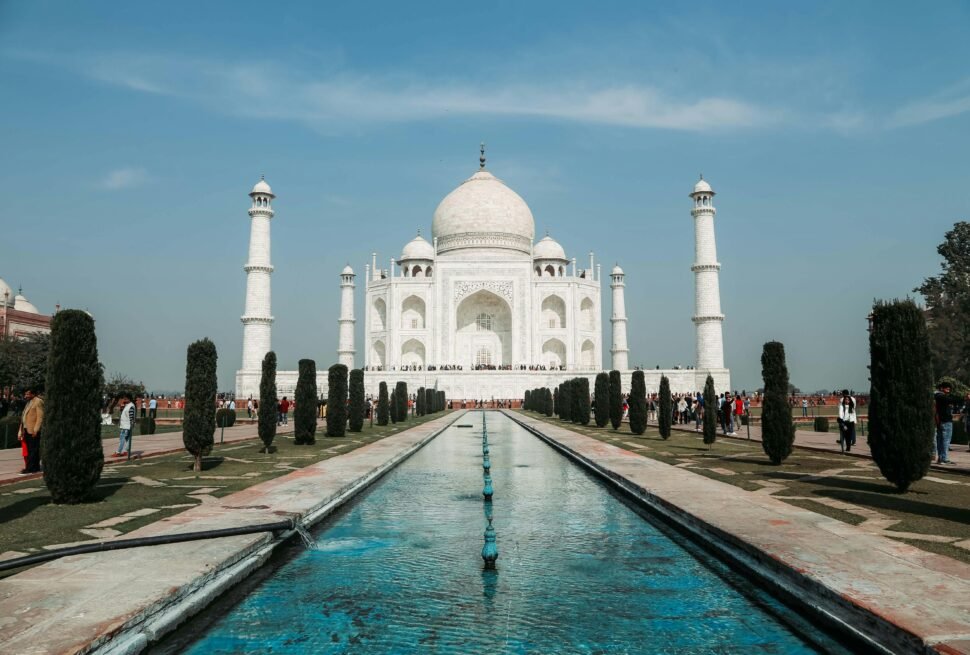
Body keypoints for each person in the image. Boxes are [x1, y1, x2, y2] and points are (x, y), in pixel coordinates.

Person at [18, 387, 44, 474]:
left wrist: (36, 430)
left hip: (33, 430)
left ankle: (30, 468)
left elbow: (40, 417)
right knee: (30, 449)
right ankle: (34, 467)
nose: (26, 396)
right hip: (26, 429)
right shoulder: (29, 402)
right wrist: (21, 430)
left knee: (33, 449)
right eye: (25, 394)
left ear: (33, 394)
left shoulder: (38, 401)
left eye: (28, 394)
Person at [934, 382, 958, 465]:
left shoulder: (936, 396)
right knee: (946, 440)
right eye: (947, 388)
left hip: (940, 421)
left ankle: (941, 458)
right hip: (945, 421)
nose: (948, 390)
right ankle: (944, 458)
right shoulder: (941, 397)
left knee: (941, 440)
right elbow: (954, 400)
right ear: (941, 388)